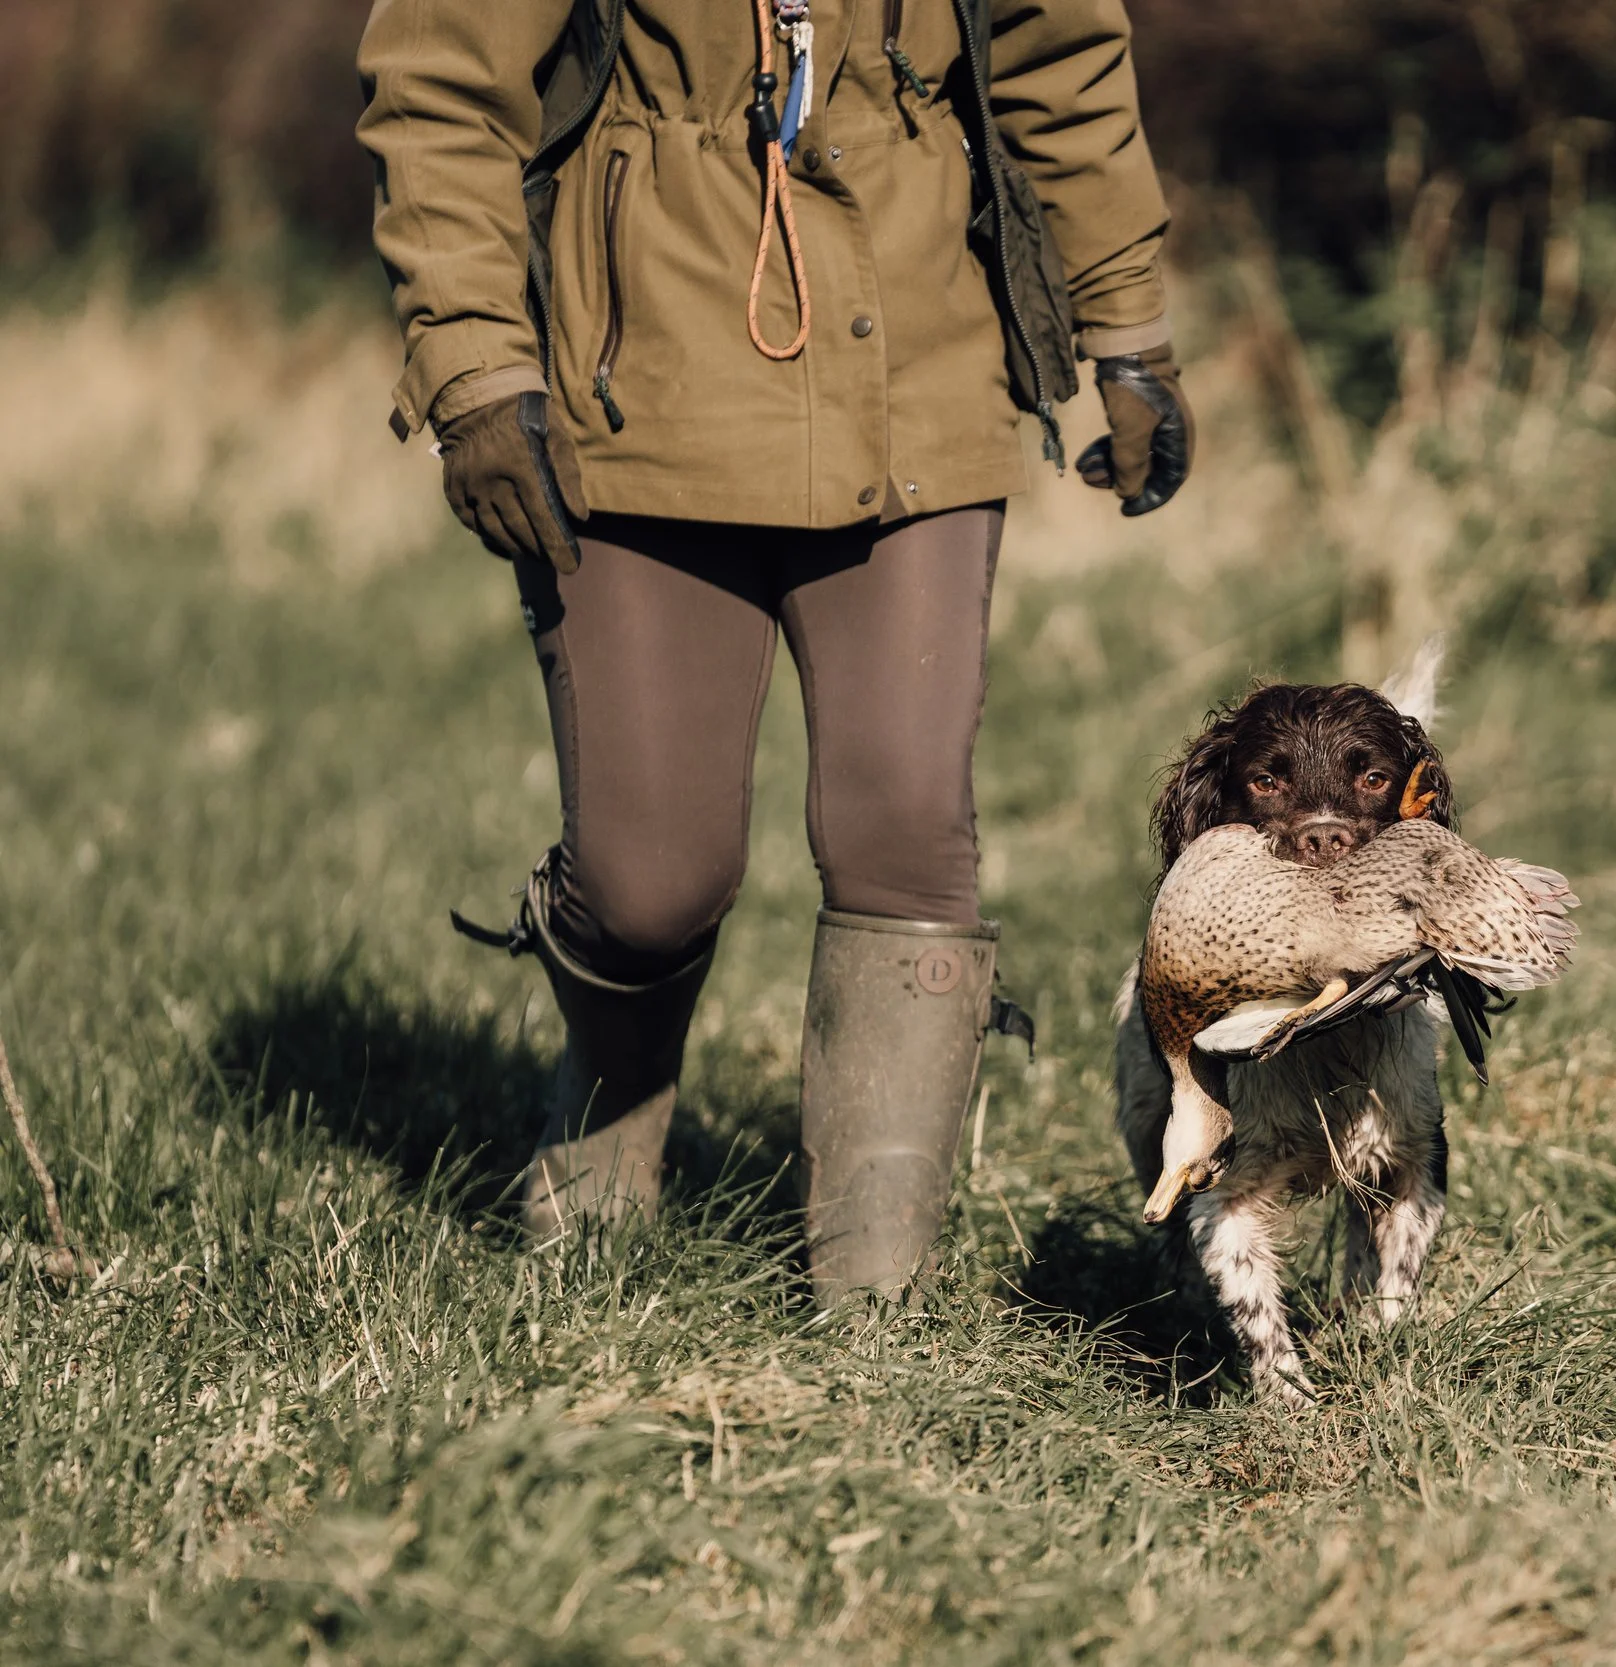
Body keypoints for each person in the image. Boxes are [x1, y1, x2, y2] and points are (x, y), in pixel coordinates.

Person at [356, 0, 1190, 1296]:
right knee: (649, 883)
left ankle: (878, 1322)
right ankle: (603, 1134)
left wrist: (1128, 325)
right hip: (637, 381)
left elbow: (1057, 50)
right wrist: (471, 366)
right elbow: (437, 81)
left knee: (908, 823)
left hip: (918, 361)